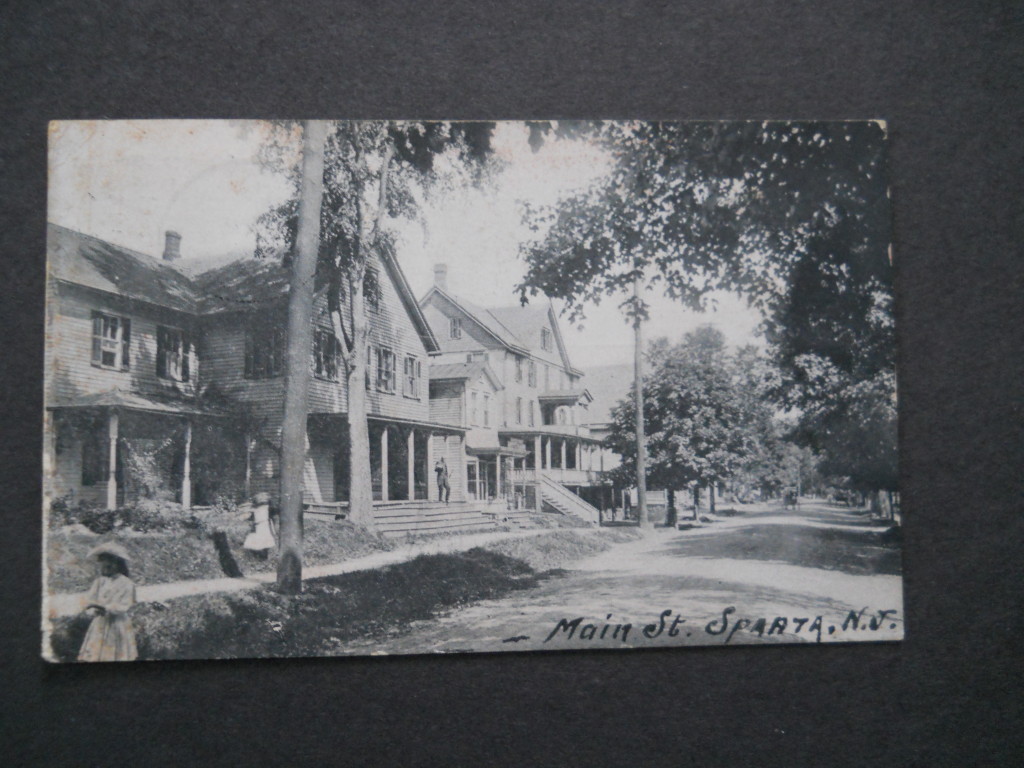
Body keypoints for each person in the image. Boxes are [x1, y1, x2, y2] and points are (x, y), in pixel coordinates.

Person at [78, 542, 138, 662]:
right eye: (104, 565)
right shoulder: (100, 582)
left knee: (116, 651)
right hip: (100, 622)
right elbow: (90, 600)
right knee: (96, 652)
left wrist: (106, 608)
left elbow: (124, 605)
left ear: (118, 565)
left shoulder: (127, 584)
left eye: (110, 565)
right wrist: (92, 609)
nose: (106, 567)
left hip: (117, 623)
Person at [244, 492, 277, 558]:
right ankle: (259, 554)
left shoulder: (267, 508)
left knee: (263, 540)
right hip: (259, 526)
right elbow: (251, 517)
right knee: (258, 540)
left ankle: (262, 555)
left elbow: (273, 514)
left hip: (264, 526)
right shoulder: (255, 510)